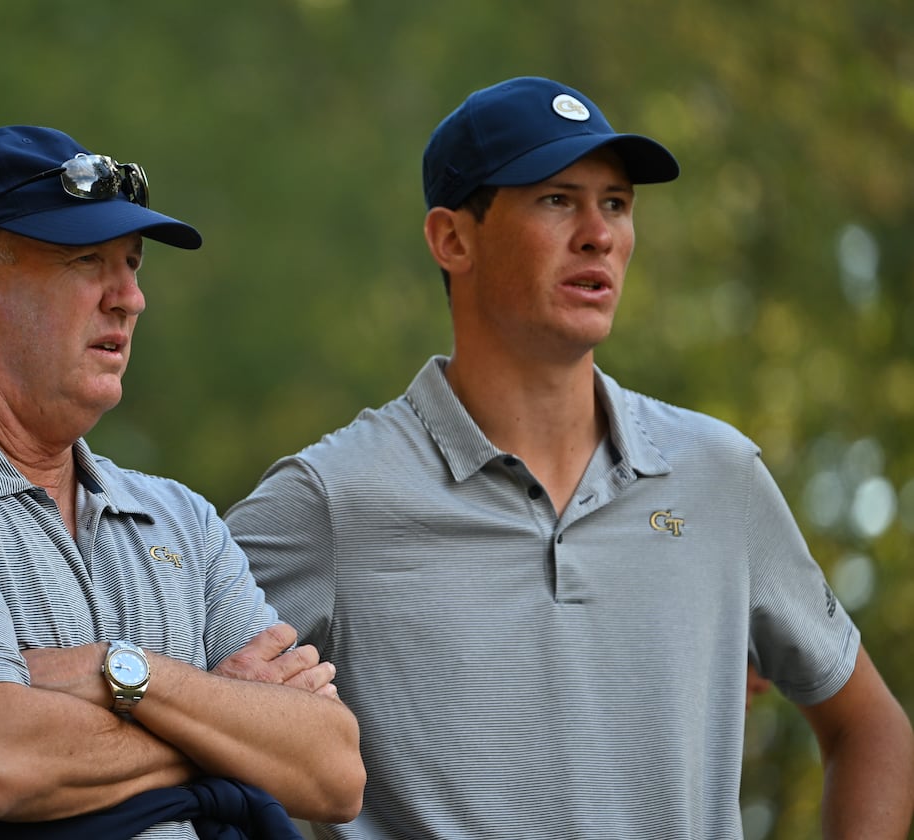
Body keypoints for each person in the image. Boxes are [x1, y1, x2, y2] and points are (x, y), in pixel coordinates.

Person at [225, 77, 914, 838]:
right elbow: (164, 699)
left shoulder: (719, 475)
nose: (599, 234)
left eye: (615, 203)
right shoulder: (334, 499)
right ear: (452, 239)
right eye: (557, 200)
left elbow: (873, 732)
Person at [0, 125, 364, 840]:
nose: (130, 299)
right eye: (88, 260)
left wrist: (118, 671)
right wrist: (227, 727)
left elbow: (332, 769)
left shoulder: (183, 520)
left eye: (133, 264)